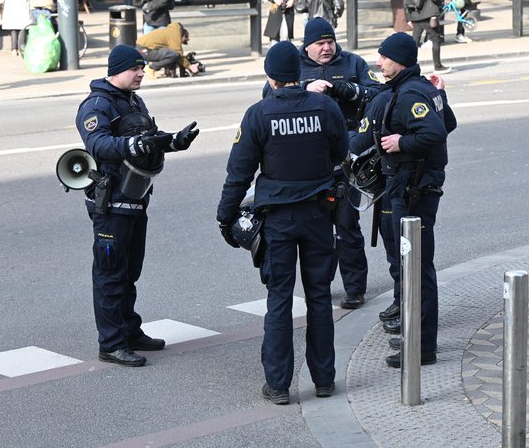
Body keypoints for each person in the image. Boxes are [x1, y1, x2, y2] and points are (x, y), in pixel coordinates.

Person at [216, 41, 348, 404]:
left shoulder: (259, 113)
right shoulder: (325, 106)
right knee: (319, 296)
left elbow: (238, 172)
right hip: (320, 215)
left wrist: (226, 215)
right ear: (299, 73)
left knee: (279, 300)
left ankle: (278, 385)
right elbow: (341, 152)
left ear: (270, 77)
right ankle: (324, 380)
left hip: (278, 219)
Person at [75, 45, 199, 367]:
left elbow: (149, 138)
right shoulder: (97, 104)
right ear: (117, 70)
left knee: (130, 271)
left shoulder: (134, 100)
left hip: (135, 199)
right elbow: (99, 144)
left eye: (142, 68)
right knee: (110, 275)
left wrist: (173, 141)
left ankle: (130, 331)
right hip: (111, 202)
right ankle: (111, 344)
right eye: (136, 68)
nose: (142, 73)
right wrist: (135, 143)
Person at [263, 18, 380, 309]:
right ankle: (322, 285)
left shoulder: (353, 63)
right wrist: (305, 87)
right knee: (317, 232)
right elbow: (269, 96)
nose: (327, 48)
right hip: (307, 164)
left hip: (346, 161)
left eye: (330, 42)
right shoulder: (295, 65)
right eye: (320, 43)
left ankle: (355, 288)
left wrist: (345, 91)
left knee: (347, 227)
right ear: (307, 45)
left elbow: (378, 95)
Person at [373, 32, 456, 367]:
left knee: (417, 270)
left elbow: (435, 132)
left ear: (400, 60)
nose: (378, 62)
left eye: (383, 56)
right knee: (417, 268)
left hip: (414, 191)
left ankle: (421, 348)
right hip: (417, 187)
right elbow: (448, 121)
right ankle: (418, 338)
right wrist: (441, 94)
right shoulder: (421, 87)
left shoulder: (409, 93)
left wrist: (401, 143)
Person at [407, 0, 450, 71]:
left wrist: (408, 18)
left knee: (414, 42)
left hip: (415, 15)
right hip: (428, 16)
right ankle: (438, 66)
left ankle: (409, 66)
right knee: (435, 39)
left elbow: (406, 1)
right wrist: (440, 4)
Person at [135, 21, 200, 79]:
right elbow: (178, 54)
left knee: (169, 53)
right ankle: (151, 68)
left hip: (140, 49)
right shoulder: (175, 35)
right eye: (184, 41)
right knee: (174, 54)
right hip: (144, 51)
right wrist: (190, 66)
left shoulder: (171, 31)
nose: (181, 43)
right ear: (184, 36)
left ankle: (167, 72)